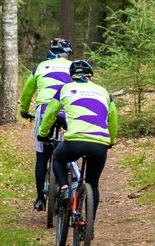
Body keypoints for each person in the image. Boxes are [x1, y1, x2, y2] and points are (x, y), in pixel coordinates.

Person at [38, 59, 117, 217]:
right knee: (93, 184)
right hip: (99, 144)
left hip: (74, 141)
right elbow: (113, 119)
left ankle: (64, 188)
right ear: (91, 76)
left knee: (57, 158)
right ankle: (89, 223)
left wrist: (43, 133)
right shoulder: (104, 92)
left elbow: (50, 113)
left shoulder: (65, 89)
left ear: (72, 76)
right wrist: (111, 140)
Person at [20, 37, 73, 211]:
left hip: (44, 108)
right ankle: (69, 182)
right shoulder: (73, 67)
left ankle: (40, 199)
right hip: (66, 107)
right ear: (66, 54)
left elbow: (27, 91)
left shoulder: (41, 67)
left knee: (42, 155)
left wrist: (24, 110)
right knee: (70, 146)